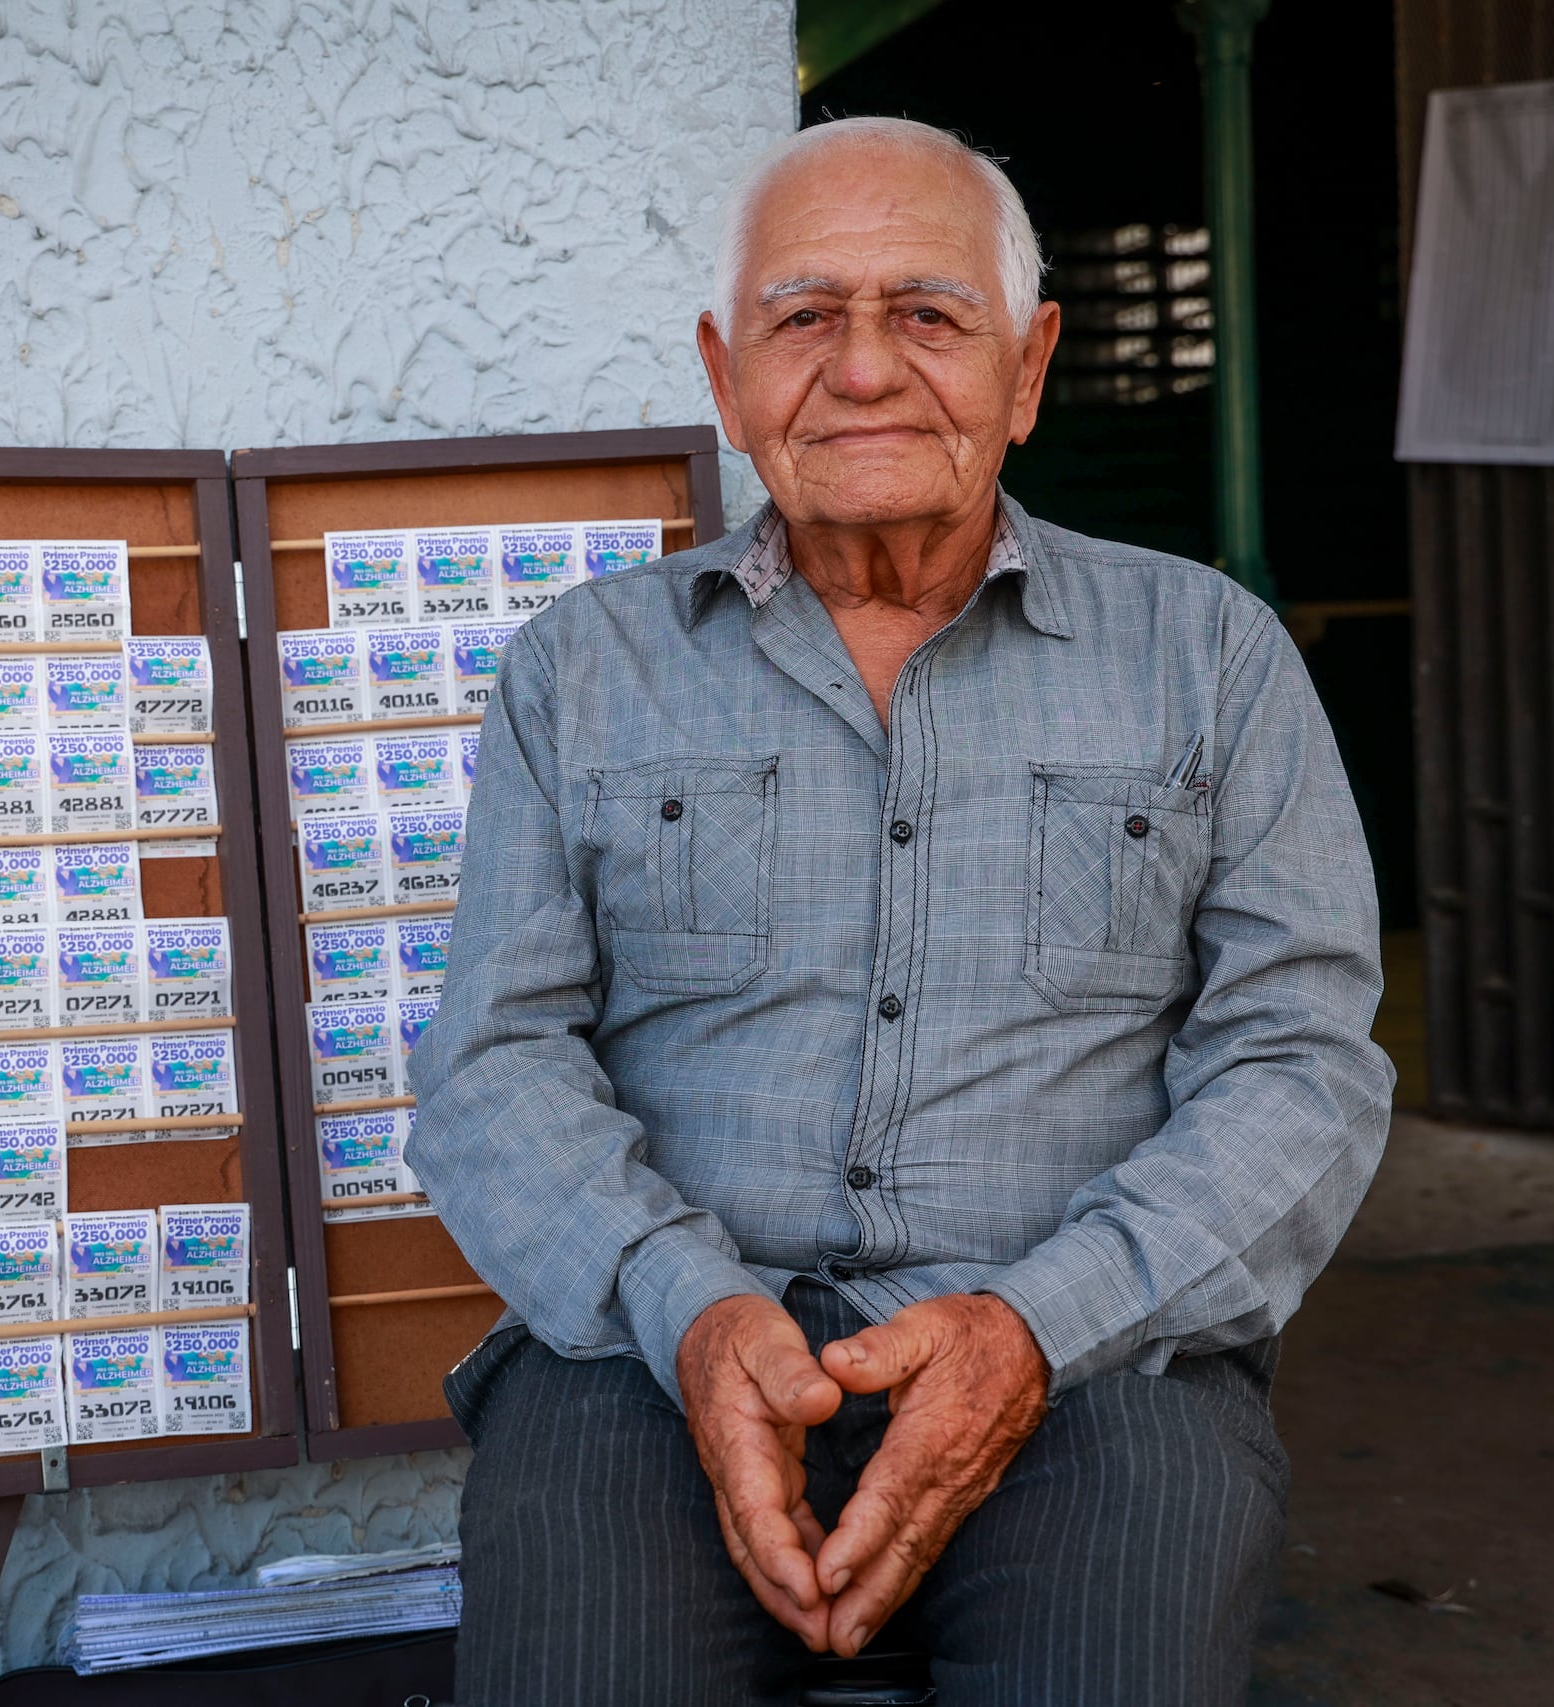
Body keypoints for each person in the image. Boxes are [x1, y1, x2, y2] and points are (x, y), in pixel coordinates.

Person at [405, 115, 1392, 1707]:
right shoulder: (581, 667)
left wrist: (1033, 1323)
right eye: (806, 319)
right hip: (664, 1348)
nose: (863, 371)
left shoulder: (1208, 655)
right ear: (730, 378)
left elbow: (1303, 1067)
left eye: (929, 315)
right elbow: (492, 1060)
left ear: (1029, 364)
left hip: (1096, 1347)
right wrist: (690, 1308)